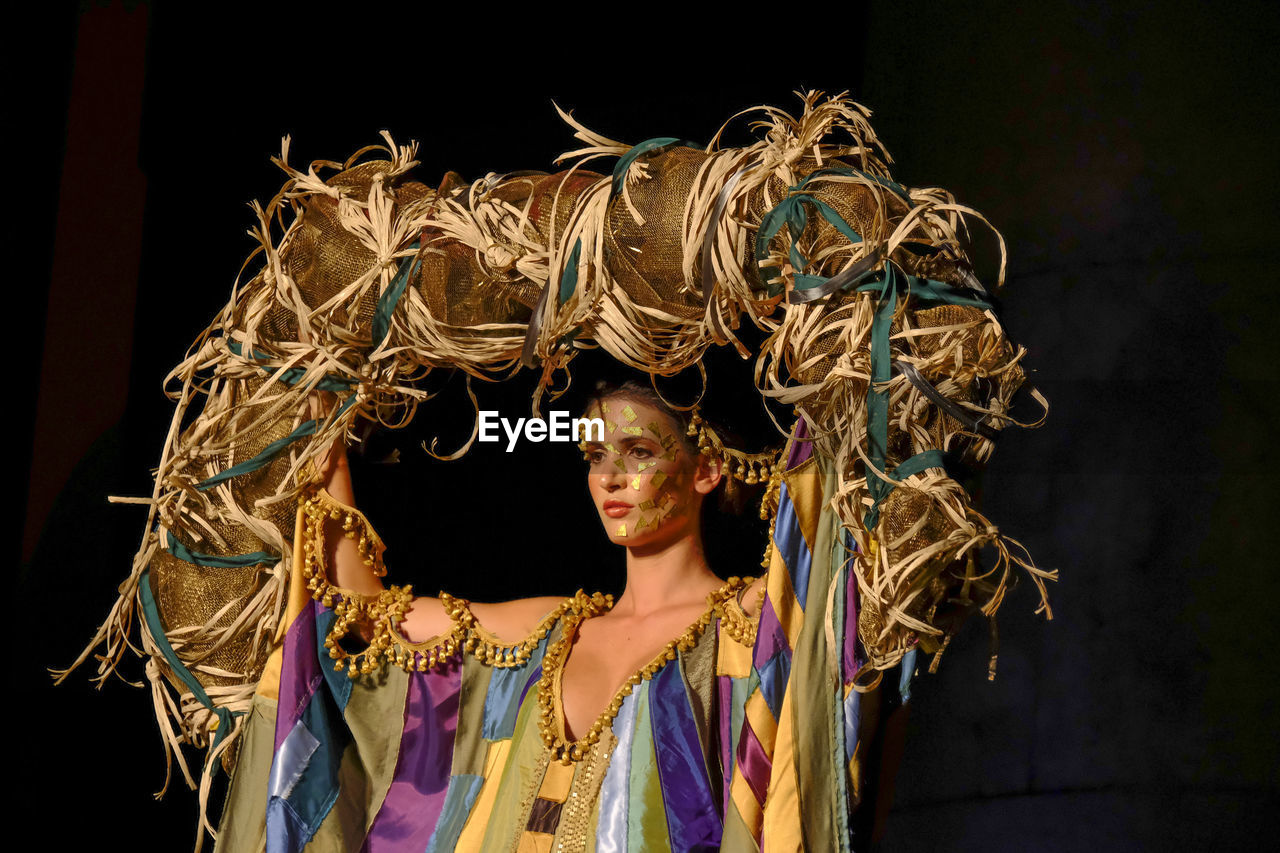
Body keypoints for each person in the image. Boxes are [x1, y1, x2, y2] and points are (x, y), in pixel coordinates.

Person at [214, 378, 902, 852]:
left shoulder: (749, 626)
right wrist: (322, 426)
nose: (608, 477)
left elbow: (845, 584)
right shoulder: (544, 633)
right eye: (595, 455)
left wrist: (842, 383)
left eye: (638, 452)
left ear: (706, 469)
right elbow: (363, 615)